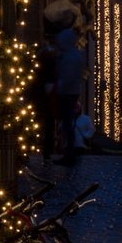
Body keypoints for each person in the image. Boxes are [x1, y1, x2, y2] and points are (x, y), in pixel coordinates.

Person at [49, 13, 87, 167]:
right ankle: (68, 153)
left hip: (67, 93)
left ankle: (68, 154)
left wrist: (60, 87)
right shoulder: (74, 54)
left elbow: (67, 75)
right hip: (71, 91)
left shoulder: (69, 56)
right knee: (66, 124)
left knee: (66, 124)